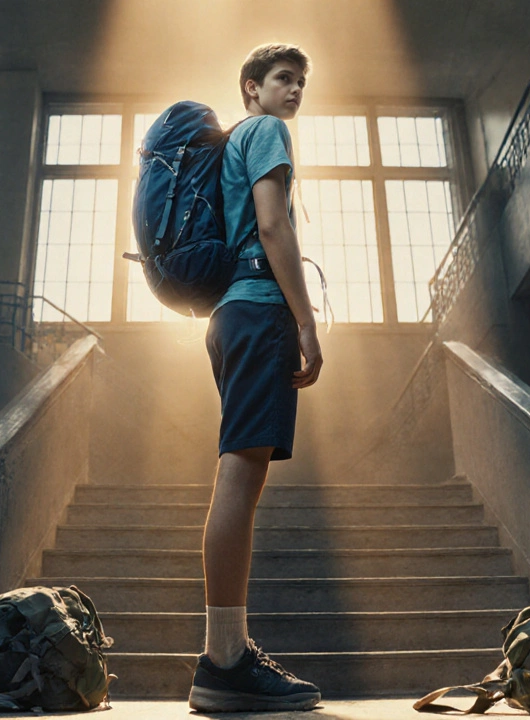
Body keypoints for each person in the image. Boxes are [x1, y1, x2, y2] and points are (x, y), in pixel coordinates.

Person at [187, 43, 324, 713]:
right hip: (261, 311)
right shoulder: (268, 132)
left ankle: (226, 654)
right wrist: (306, 322)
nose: (294, 90)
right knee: (239, 476)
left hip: (226, 314)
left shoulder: (229, 146)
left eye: (301, 82)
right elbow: (273, 226)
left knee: (240, 473)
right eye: (283, 79)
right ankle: (224, 661)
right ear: (252, 88)